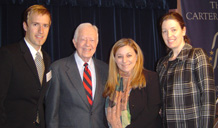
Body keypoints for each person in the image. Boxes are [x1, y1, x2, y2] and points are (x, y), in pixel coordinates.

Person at [156, 12, 215, 128]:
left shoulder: (197, 55)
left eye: (173, 30)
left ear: (183, 31)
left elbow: (208, 98)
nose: (169, 35)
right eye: (164, 31)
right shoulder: (161, 64)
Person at [45, 23, 108, 128]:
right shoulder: (58, 69)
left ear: (97, 43)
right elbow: (52, 114)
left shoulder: (105, 69)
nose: (87, 44)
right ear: (74, 42)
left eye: (92, 40)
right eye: (83, 39)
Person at [0, 5, 51, 128]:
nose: (41, 31)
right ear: (25, 26)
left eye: (45, 25)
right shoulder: (8, 54)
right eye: (35, 24)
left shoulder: (46, 58)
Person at [103, 38, 161, 128]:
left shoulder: (151, 78)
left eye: (129, 55)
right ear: (114, 59)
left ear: (137, 56)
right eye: (119, 56)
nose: (124, 60)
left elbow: (151, 112)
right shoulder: (109, 81)